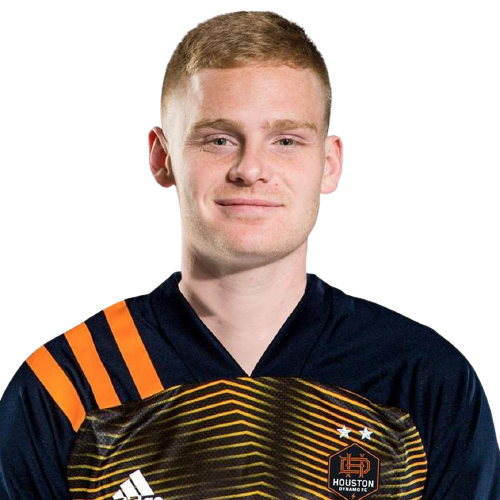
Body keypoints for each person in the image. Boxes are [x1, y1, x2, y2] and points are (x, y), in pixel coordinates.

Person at [0, 10, 498, 500]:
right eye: (219, 139)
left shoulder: (423, 376)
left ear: (329, 164)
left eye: (286, 140)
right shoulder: (65, 384)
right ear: (162, 157)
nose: (250, 168)